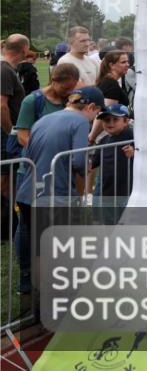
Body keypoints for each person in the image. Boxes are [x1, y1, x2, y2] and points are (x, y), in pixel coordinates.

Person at [15, 86, 105, 293]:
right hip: (56, 193)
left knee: (31, 238)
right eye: (97, 113)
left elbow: (28, 150)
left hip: (28, 189)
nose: (95, 119)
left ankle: (29, 283)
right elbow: (80, 160)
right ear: (91, 107)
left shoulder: (44, 119)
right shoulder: (80, 121)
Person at [14, 63, 81, 147]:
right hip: (38, 157)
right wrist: (47, 152)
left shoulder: (73, 99)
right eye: (65, 88)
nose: (69, 92)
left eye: (73, 88)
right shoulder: (32, 101)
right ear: (53, 82)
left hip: (64, 157)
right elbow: (22, 137)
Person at [90, 103, 134, 224]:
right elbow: (93, 163)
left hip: (128, 192)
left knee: (128, 225)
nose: (110, 123)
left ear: (125, 121)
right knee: (110, 225)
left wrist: (134, 153)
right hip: (108, 192)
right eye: (106, 120)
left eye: (115, 119)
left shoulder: (133, 136)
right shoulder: (104, 141)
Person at [2, 34, 29, 202]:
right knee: (4, 182)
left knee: (9, 181)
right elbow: (1, 106)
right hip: (4, 134)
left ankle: (10, 222)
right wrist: (10, 131)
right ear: (24, 50)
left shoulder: (8, 69)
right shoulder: (4, 70)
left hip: (6, 134)